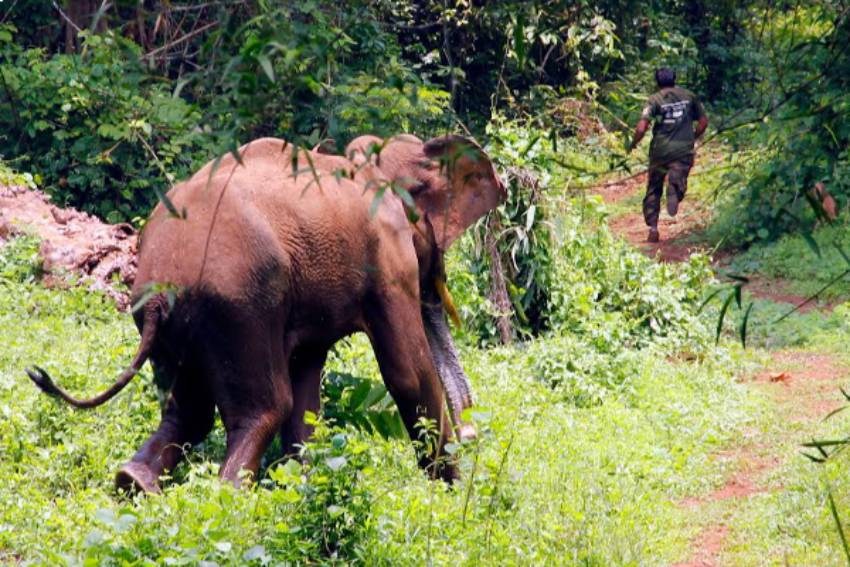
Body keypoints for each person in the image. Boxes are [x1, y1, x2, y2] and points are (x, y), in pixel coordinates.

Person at [627, 68, 708, 242]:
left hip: (660, 150)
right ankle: (675, 188)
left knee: (654, 187)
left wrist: (633, 144)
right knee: (679, 172)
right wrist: (692, 137)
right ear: (675, 79)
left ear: (657, 82)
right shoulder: (689, 96)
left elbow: (642, 127)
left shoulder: (654, 100)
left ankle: (653, 228)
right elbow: (703, 122)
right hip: (682, 149)